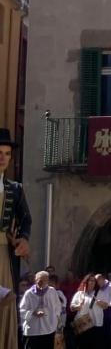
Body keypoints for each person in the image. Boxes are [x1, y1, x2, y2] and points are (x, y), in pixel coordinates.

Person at [1, 127, 32, 349]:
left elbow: (26, 219)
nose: (3, 158)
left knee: (7, 303)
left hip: (4, 254)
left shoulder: (15, 189)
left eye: (7, 154)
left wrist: (23, 238)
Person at [19, 271, 62, 349]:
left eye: (45, 281)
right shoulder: (29, 293)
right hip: (33, 329)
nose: (43, 283)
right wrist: (33, 312)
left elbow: (58, 306)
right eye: (40, 281)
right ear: (36, 280)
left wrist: (56, 316)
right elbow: (22, 309)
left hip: (49, 327)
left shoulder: (52, 291)